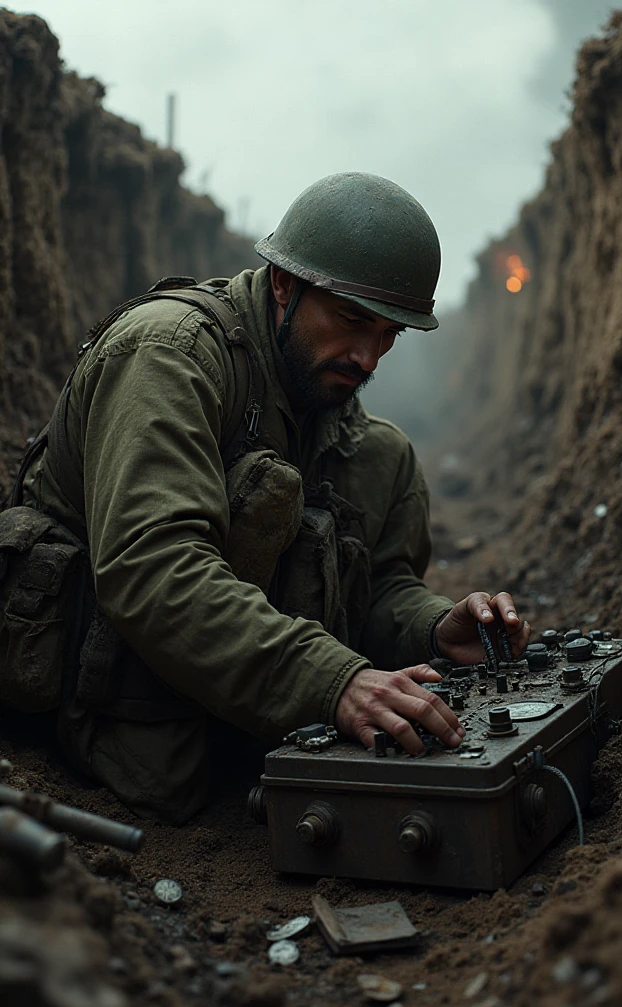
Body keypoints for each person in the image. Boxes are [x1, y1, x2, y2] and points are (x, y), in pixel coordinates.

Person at [1, 172, 531, 823]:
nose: (368, 358)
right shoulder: (169, 356)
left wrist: (432, 626)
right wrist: (332, 682)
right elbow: (154, 566)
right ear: (283, 284)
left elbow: (377, 586)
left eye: (389, 334)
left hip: (240, 739)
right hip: (104, 731)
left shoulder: (366, 442)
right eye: (352, 320)